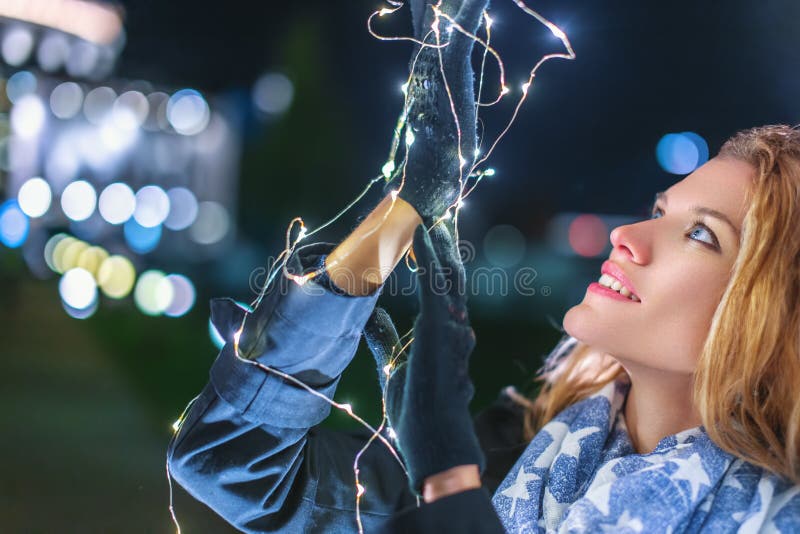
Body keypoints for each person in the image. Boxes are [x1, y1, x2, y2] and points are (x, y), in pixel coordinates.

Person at [167, 0, 800, 531]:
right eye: (658, 209)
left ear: (779, 314)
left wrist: (448, 478)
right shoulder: (519, 452)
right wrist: (403, 210)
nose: (629, 236)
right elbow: (233, 462)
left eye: (699, 234)